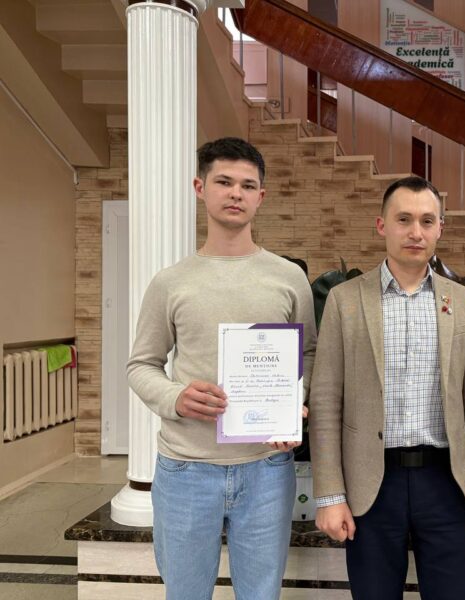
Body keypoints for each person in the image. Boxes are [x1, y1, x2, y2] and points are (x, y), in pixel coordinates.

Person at [127, 137, 316, 600]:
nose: (235, 193)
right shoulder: (170, 282)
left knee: (261, 595)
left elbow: (308, 354)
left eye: (247, 185)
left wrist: (293, 403)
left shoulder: (289, 278)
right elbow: (141, 365)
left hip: (267, 468)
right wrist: (176, 397)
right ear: (200, 187)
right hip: (186, 470)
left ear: (261, 196)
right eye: (224, 182)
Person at [309, 175, 465, 600]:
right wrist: (329, 495)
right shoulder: (345, 300)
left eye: (427, 221)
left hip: (446, 482)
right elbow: (325, 402)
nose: (416, 232)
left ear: (439, 229)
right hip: (371, 482)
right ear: (382, 225)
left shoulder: (463, 303)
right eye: (404, 219)